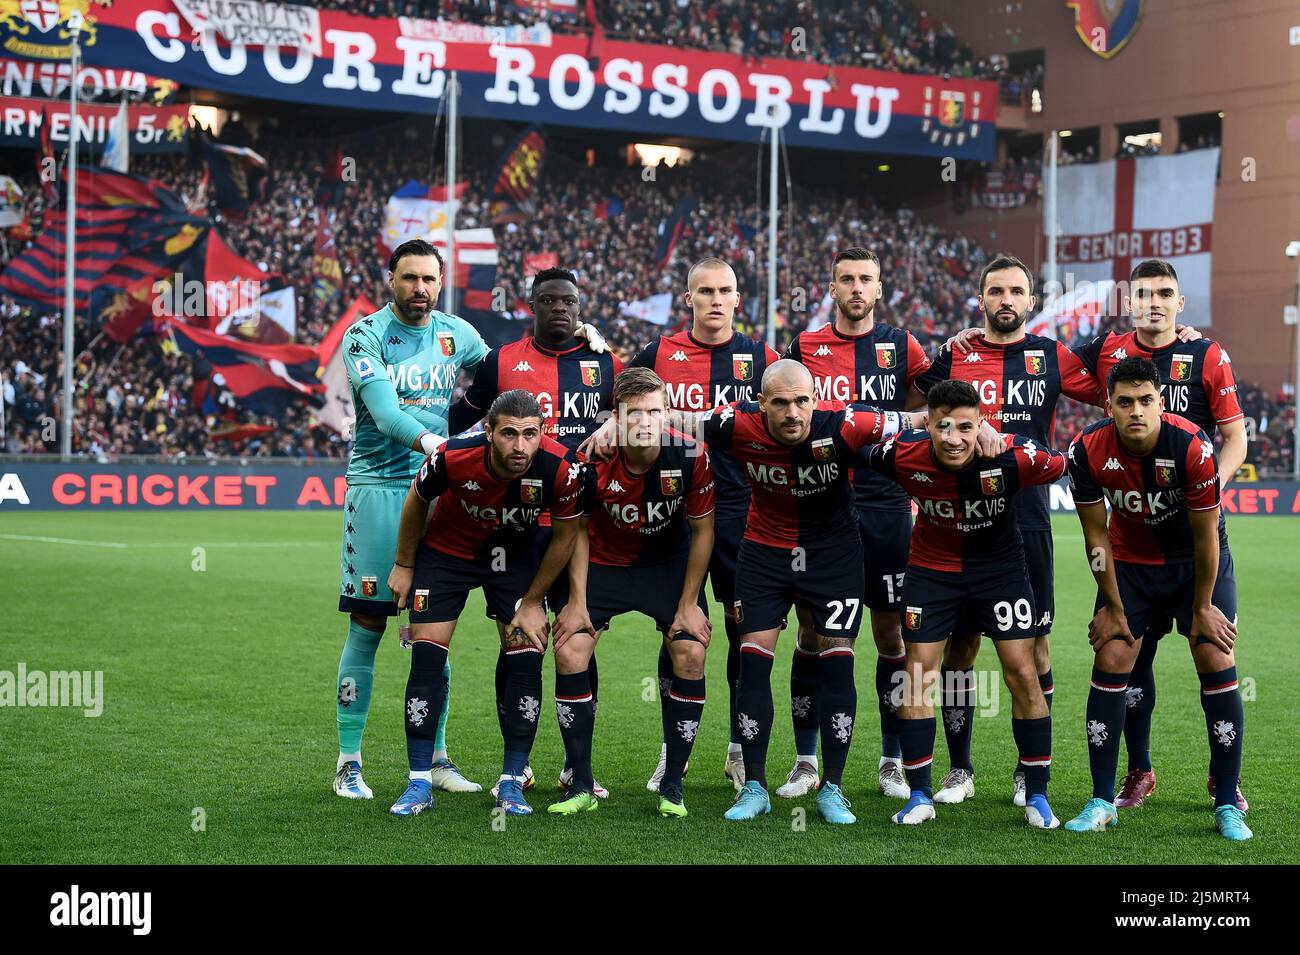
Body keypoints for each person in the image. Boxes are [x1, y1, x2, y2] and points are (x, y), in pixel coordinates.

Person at [691, 360, 916, 823]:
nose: (792, 412)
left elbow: (918, 420)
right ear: (762, 404)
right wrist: (622, 421)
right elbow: (675, 419)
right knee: (752, 662)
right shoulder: (734, 423)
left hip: (834, 559)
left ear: (815, 399)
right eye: (780, 402)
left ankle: (832, 788)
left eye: (801, 401)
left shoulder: (849, 424)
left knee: (838, 661)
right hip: (763, 556)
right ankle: (753, 786)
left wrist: (981, 431)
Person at [915, 253, 1104, 807]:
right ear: (981, 300)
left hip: (1025, 521)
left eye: (1015, 291)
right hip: (956, 520)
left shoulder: (1051, 356)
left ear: (1030, 301)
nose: (1005, 300)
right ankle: (960, 768)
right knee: (961, 648)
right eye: (995, 291)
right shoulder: (956, 352)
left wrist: (1159, 336)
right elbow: (908, 397)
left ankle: (1029, 772)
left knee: (1035, 650)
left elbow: (1109, 384)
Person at [861, 380, 1067, 829]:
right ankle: (918, 795)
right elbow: (856, 444)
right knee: (918, 675)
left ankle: (1036, 795)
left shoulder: (1010, 457)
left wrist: (1003, 435)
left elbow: (1064, 462)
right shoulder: (900, 454)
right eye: (943, 427)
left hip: (1001, 574)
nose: (954, 439)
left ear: (981, 425)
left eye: (966, 427)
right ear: (929, 425)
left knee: (1022, 671)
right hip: (931, 574)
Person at [449, 267, 621, 800]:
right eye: (548, 301)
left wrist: (615, 415)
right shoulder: (501, 362)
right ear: (532, 305)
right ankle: (517, 765)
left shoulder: (604, 362)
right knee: (517, 641)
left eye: (568, 301)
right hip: (518, 527)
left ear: (580, 305)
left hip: (584, 524)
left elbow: (638, 407)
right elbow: (462, 418)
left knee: (577, 641)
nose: (559, 309)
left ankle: (576, 766)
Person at [1063, 357, 1249, 841]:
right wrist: (1111, 603)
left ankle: (1228, 800)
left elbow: (1208, 537)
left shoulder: (1192, 446)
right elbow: (1095, 537)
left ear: (1161, 401)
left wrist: (1203, 607)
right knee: (1112, 652)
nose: (1136, 411)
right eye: (1125, 403)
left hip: (1195, 565)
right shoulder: (1086, 449)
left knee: (1214, 654)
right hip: (1130, 564)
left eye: (1146, 400)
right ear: (1110, 406)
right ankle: (1103, 799)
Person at [614, 256, 780, 792]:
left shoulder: (761, 358)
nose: (714, 299)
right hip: (673, 520)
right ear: (689, 298)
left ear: (738, 299)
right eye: (704, 291)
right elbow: (615, 403)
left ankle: (737, 749)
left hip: (743, 517)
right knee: (679, 633)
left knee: (741, 634)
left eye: (724, 291)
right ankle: (674, 752)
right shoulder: (657, 353)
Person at [332, 238, 487, 800]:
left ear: (440, 281)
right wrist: (438, 444)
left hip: (437, 490)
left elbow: (498, 379)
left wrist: (472, 435)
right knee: (369, 626)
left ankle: (436, 757)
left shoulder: (457, 333)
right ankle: (349, 762)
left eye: (428, 279)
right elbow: (384, 409)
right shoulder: (365, 335)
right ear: (390, 279)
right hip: (378, 491)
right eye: (409, 278)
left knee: (432, 633)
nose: (419, 288)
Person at [386, 390, 585, 817]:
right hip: (448, 554)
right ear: (489, 432)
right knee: (426, 659)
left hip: (515, 559)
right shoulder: (453, 456)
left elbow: (567, 536)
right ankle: (418, 781)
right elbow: (417, 500)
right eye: (509, 434)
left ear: (542, 432)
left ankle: (512, 781)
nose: (519, 446)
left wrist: (534, 601)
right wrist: (404, 564)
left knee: (527, 657)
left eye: (529, 434)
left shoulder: (563, 468)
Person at [784, 247, 932, 800]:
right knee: (815, 632)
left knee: (891, 633)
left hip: (887, 505)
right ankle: (805, 760)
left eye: (865, 279)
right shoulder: (803, 348)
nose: (855, 287)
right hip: (821, 505)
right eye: (846, 278)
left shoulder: (903, 346)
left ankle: (891, 762)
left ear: (878, 287)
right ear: (831, 286)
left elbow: (933, 401)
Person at [550, 367, 715, 817]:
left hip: (665, 568)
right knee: (569, 650)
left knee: (691, 653)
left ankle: (673, 786)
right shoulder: (590, 458)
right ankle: (579, 784)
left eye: (655, 412)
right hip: (604, 564)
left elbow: (703, 532)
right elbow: (578, 530)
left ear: (667, 413)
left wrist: (687, 605)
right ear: (616, 417)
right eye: (634, 413)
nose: (646, 421)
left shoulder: (691, 455)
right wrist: (577, 602)